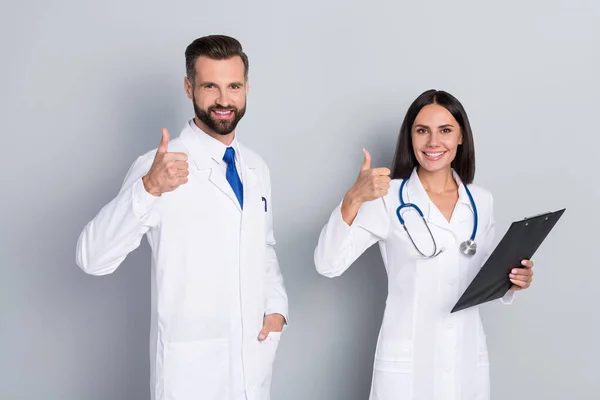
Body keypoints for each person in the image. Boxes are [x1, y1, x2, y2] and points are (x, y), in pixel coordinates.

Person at [76, 35, 288, 400]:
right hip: (190, 374)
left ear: (247, 88)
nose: (224, 100)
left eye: (234, 86)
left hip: (252, 365)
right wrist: (148, 189)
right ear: (189, 87)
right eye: (210, 86)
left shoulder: (256, 167)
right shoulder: (159, 166)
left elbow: (262, 245)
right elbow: (92, 259)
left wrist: (276, 306)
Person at [313, 89, 535, 400]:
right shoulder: (387, 198)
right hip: (408, 360)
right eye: (422, 131)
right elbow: (327, 264)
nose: (433, 142)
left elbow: (486, 275)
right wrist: (353, 199)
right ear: (410, 138)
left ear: (461, 138)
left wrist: (515, 281)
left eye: (445, 130)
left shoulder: (481, 201)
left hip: (465, 357)